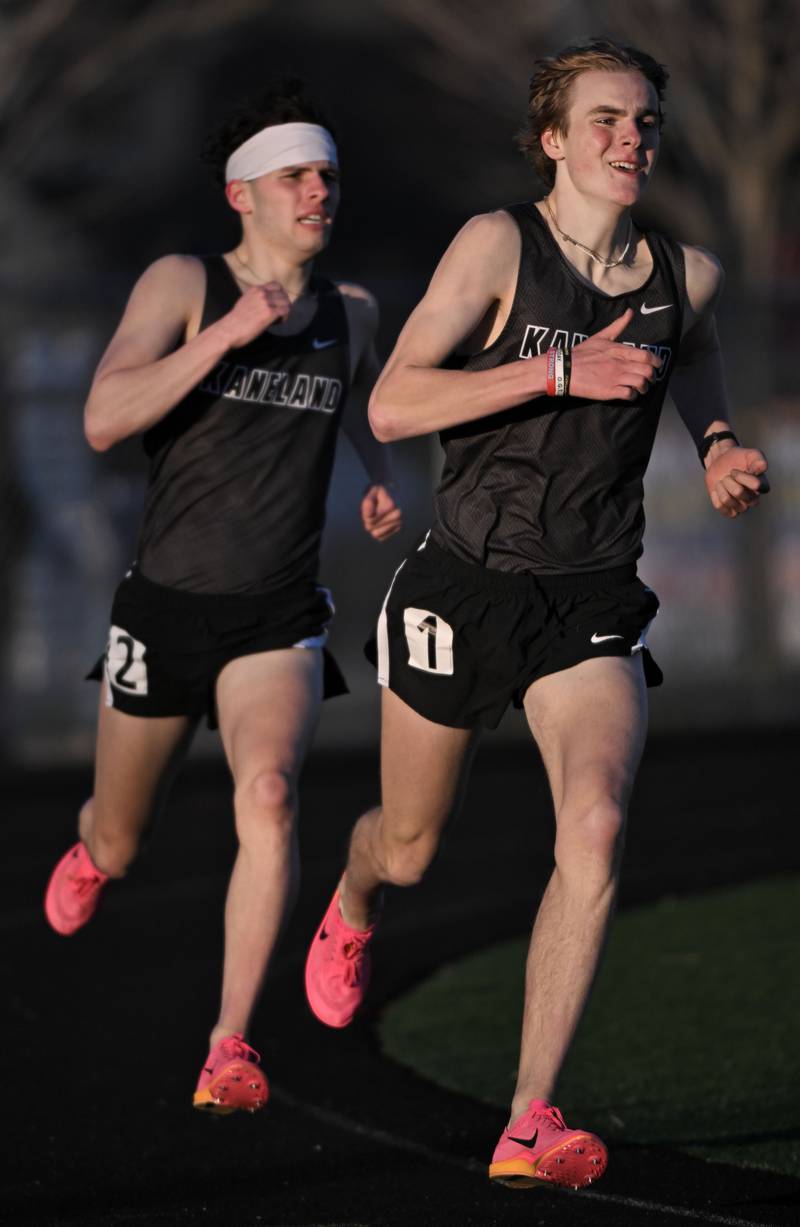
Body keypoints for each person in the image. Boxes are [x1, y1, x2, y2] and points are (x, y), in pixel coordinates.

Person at [304, 39, 768, 1188]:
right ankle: (352, 894)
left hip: (590, 594)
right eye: (606, 119)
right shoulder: (495, 246)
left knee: (597, 824)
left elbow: (688, 349)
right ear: (553, 140)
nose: (632, 138)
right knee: (408, 850)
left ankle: (527, 1119)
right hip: (465, 580)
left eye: (644, 120)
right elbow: (398, 400)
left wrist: (711, 441)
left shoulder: (684, 272)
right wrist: (555, 374)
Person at [44, 79, 401, 1114]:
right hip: (160, 609)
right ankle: (95, 851)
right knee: (120, 833)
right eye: (297, 174)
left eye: (327, 174)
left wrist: (375, 473)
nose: (318, 191)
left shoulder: (352, 312)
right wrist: (222, 336)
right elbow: (105, 420)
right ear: (244, 192)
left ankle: (229, 1045)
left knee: (271, 797)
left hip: (275, 614)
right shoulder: (183, 281)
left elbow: (356, 410)